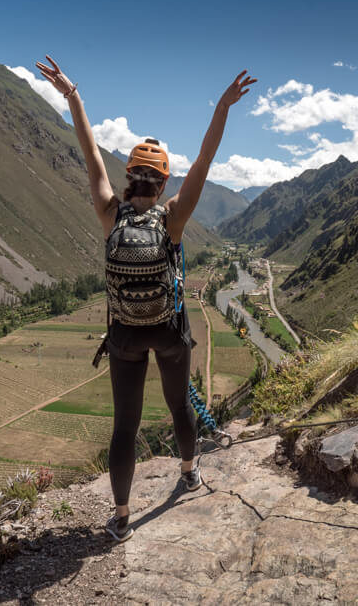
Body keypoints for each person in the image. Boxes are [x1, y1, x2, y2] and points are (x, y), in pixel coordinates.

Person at [35, 55, 256, 542]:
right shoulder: (173, 217)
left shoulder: (108, 212)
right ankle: (189, 471)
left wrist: (73, 97)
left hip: (124, 337)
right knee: (178, 407)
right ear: (163, 181)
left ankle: (119, 518)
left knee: (124, 427)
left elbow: (89, 150)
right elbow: (206, 158)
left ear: (131, 175)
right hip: (169, 331)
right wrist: (222, 107)